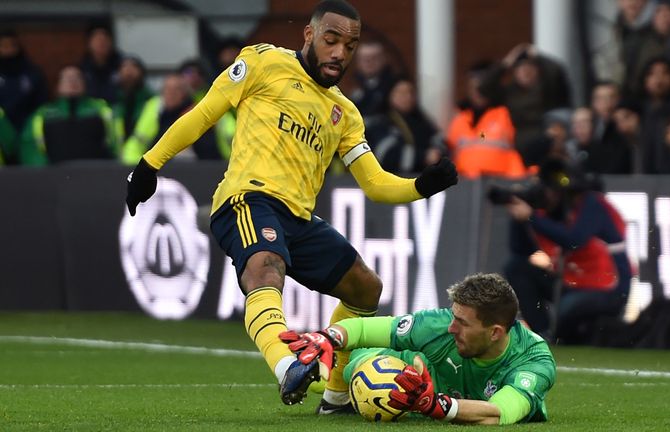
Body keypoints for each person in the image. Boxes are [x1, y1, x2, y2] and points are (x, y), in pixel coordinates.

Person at [123, 0, 457, 412]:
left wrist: (422, 186)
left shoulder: (346, 113)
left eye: (349, 46)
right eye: (331, 40)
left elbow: (375, 183)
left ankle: (335, 397)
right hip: (246, 199)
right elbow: (205, 113)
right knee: (265, 266)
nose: (339, 53)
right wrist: (149, 164)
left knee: (365, 287)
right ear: (310, 35)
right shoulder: (263, 61)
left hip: (298, 219)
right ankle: (288, 368)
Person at [280, 272, 555, 424]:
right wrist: (328, 337)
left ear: (495, 332)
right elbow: (364, 329)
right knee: (368, 363)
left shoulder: (534, 361)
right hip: (415, 375)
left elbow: (498, 413)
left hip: (430, 397)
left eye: (462, 322)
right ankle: (324, 381)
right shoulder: (439, 324)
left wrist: (435, 405)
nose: (451, 327)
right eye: (453, 317)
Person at [501, 159, 632, 344]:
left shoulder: (592, 204)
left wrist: (531, 217)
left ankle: (561, 337)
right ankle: (545, 336)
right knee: (516, 268)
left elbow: (573, 240)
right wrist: (519, 219)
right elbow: (520, 250)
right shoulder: (550, 215)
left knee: (567, 309)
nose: (547, 197)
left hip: (608, 287)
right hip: (572, 282)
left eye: (551, 191)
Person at [19, 65, 116, 165]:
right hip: (54, 176)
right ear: (58, 86)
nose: (72, 82)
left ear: (85, 83)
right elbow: (29, 147)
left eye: (77, 77)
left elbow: (116, 140)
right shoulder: (42, 114)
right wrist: (44, 173)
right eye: (67, 78)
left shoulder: (101, 109)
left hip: (98, 173)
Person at [446, 63, 526, 178]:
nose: (477, 93)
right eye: (473, 88)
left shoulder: (505, 114)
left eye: (481, 88)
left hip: (502, 181)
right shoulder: (460, 118)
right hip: (465, 184)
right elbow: (451, 151)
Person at [121, 72, 220, 164]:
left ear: (184, 94)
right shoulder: (159, 114)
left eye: (176, 89)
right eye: (167, 89)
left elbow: (208, 151)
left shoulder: (195, 114)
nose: (170, 93)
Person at [364, 77, 442, 174]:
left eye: (411, 93)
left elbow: (439, 141)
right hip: (390, 181)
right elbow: (387, 154)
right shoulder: (379, 122)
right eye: (402, 93)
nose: (408, 97)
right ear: (390, 95)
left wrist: (437, 154)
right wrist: (423, 157)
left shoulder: (422, 120)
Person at [0, 29, 48, 133]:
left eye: (11, 45)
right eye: (3, 45)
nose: (8, 49)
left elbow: (41, 106)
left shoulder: (32, 74)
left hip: (26, 130)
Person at [113, 56, 154, 143]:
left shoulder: (152, 99)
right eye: (125, 67)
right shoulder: (112, 98)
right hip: (115, 152)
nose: (129, 71)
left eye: (134, 67)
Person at [79, 24, 122, 103]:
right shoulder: (81, 69)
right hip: (91, 111)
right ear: (89, 43)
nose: (101, 43)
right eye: (97, 40)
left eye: (105, 40)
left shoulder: (122, 65)